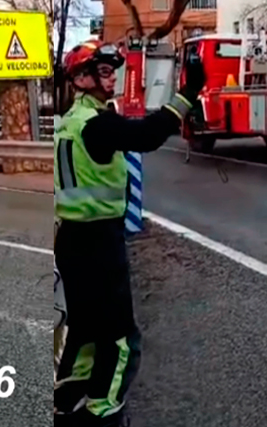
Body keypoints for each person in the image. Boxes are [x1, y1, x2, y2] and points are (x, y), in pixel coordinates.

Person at [54, 40, 206, 426]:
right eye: (103, 71)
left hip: (70, 241)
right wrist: (188, 94)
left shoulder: (67, 123)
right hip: (100, 243)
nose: (112, 78)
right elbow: (148, 135)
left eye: (112, 71)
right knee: (121, 340)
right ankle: (104, 413)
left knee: (85, 331)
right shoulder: (98, 125)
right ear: (82, 79)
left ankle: (66, 401)